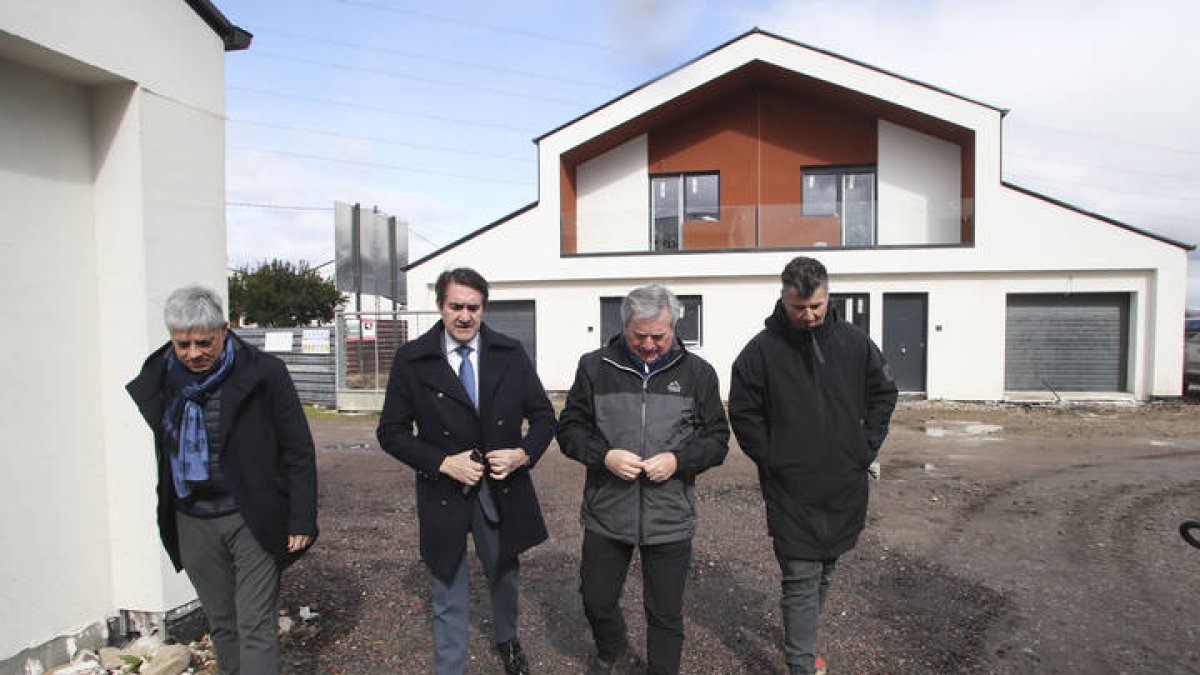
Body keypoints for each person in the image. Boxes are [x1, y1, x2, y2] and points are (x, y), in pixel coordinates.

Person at [126, 285, 318, 675]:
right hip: (192, 516)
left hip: (251, 516)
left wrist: (301, 518)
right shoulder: (162, 378)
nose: (193, 353)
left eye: (203, 342)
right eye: (182, 344)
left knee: (255, 622)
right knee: (222, 623)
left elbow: (297, 449)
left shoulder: (265, 373)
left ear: (225, 330)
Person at [376, 267, 555, 675]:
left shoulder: (510, 353)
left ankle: (508, 640)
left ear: (483, 309)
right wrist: (441, 462)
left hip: (501, 488)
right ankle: (449, 666)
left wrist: (522, 454)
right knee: (447, 585)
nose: (464, 316)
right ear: (440, 306)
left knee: (505, 576)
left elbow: (544, 417)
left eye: (473, 307)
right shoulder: (412, 359)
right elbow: (390, 432)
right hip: (444, 490)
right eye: (455, 306)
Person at [728, 256, 898, 675]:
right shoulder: (760, 353)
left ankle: (799, 641)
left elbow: (883, 394)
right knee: (801, 578)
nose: (808, 315)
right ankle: (802, 664)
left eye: (816, 306)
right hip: (791, 489)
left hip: (844, 482)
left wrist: (865, 447)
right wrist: (774, 459)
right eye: (798, 307)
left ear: (828, 296)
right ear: (783, 299)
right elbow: (744, 414)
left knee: (825, 570)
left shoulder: (856, 343)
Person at [558, 284, 730, 675]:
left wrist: (677, 460)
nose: (650, 345)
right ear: (625, 327)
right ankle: (613, 652)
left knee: (665, 612)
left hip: (670, 513)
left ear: (674, 328)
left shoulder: (698, 374)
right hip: (607, 509)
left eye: (659, 336)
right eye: (640, 336)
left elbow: (717, 439)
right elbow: (569, 430)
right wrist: (605, 456)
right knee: (597, 600)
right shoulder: (594, 367)